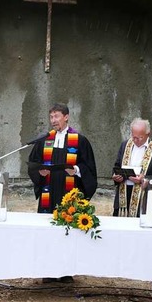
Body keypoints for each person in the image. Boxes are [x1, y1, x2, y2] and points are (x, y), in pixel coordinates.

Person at [28, 103, 97, 284]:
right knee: (48, 230)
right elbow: (33, 163)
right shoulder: (45, 140)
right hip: (48, 193)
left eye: (57, 116)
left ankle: (66, 271)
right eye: (51, 117)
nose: (53, 121)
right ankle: (47, 270)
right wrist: (39, 173)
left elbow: (89, 167)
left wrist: (76, 170)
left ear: (66, 117)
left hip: (69, 193)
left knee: (68, 232)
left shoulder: (79, 140)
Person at [111, 118, 152, 217]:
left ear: (148, 134)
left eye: (140, 138)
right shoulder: (125, 145)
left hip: (143, 199)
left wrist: (145, 180)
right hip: (122, 197)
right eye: (133, 137)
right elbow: (117, 166)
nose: (135, 140)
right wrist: (116, 176)